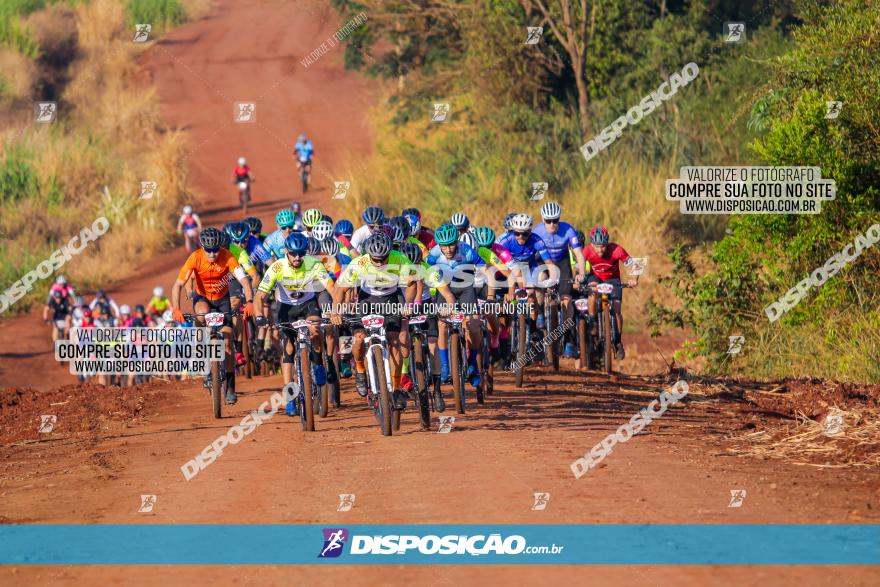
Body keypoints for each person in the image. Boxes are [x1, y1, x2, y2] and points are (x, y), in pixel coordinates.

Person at [330, 233, 417, 410]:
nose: (378, 263)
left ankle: (397, 387)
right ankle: (360, 370)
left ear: (389, 253)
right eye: (375, 259)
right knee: (360, 338)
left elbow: (412, 284)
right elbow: (340, 290)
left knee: (393, 341)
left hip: (390, 299)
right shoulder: (359, 263)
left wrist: (407, 305)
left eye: (382, 259)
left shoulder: (399, 258)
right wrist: (335, 311)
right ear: (368, 255)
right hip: (367, 300)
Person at [170, 227, 256, 404]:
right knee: (201, 314)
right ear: (202, 248)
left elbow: (244, 280)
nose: (212, 254)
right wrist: (176, 308)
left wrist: (249, 301)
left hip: (222, 299)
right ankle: (200, 346)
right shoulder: (195, 257)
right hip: (203, 298)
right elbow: (178, 284)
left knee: (227, 341)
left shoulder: (228, 257)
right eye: (208, 250)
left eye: (215, 249)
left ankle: (231, 387)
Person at [254, 232, 336, 416]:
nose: (297, 257)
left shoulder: (314, 264)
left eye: (301, 253)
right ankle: (290, 395)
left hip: (308, 305)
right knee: (288, 348)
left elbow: (331, 287)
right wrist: (259, 315)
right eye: (293, 253)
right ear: (287, 252)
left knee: (315, 331)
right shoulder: (277, 268)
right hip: (286, 309)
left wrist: (336, 310)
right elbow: (260, 295)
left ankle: (318, 365)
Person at [427, 223, 490, 389]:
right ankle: (445, 365)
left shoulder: (467, 250)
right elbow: (429, 273)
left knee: (474, 326)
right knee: (442, 324)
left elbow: (484, 267)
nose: (448, 249)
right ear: (438, 245)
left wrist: (485, 284)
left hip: (465, 289)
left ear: (457, 242)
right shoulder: (433, 254)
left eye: (451, 244)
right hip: (445, 289)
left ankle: (473, 365)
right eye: (444, 246)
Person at [531, 202, 587, 358]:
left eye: (555, 220)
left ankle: (569, 339)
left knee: (567, 300)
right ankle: (540, 311)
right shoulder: (537, 231)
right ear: (543, 220)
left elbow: (579, 255)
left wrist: (581, 273)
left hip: (562, 262)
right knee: (540, 277)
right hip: (543, 260)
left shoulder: (568, 229)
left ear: (559, 219)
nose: (552, 224)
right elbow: (531, 254)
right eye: (548, 221)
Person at [583, 225, 638, 360]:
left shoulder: (616, 250)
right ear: (591, 244)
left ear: (607, 243)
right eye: (597, 246)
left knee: (617, 309)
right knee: (592, 292)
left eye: (603, 246)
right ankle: (592, 323)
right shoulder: (587, 251)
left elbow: (633, 264)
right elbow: (577, 266)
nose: (600, 249)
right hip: (595, 278)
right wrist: (577, 277)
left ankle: (618, 341)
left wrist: (634, 279)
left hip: (612, 279)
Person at [498, 213, 553, 342]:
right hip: (509, 271)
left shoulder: (537, 240)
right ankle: (504, 338)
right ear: (513, 232)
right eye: (517, 233)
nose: (521, 237)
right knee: (506, 303)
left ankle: (535, 327)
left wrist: (552, 279)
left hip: (529, 269)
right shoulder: (505, 241)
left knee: (531, 291)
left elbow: (549, 263)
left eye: (525, 234)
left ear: (530, 231)